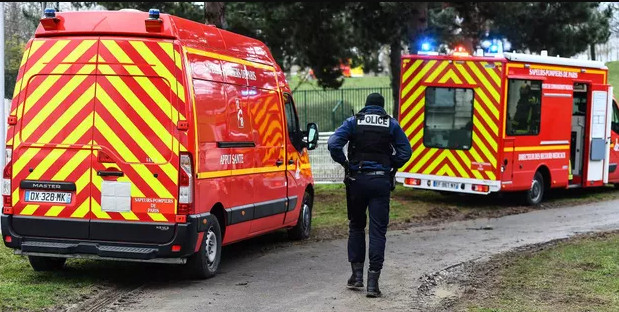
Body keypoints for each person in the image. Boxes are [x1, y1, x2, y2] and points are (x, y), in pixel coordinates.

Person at [327, 93, 412, 298]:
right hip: (380, 182)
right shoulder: (390, 124)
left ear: (366, 106)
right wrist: (390, 163)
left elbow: (333, 144)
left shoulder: (353, 122)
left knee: (356, 226)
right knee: (377, 232)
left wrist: (346, 164)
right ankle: (373, 283)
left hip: (357, 181)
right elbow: (405, 152)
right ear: (382, 108)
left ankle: (356, 277)